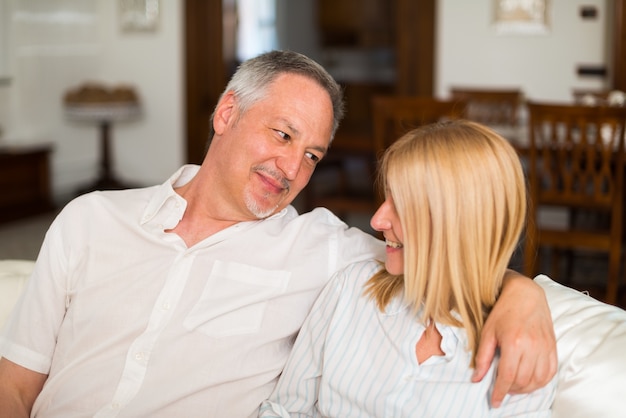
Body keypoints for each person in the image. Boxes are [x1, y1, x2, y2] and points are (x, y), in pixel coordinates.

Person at [0, 51, 555, 417]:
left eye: (311, 153)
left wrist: (522, 295)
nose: (291, 167)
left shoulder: (324, 252)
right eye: (282, 134)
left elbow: (443, 246)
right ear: (226, 113)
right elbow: (17, 384)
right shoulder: (90, 219)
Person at [259, 120, 557, 417]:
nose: (377, 220)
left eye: (401, 204)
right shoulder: (350, 289)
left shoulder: (522, 351)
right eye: (386, 197)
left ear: (458, 223)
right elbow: (285, 410)